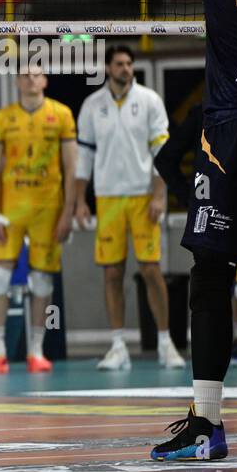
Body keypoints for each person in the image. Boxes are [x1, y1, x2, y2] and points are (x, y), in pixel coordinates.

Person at [111, 0, 237, 459]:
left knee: (212, 276)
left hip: (229, 136)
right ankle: (206, 423)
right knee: (212, 277)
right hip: (228, 133)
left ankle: (209, 423)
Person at [72, 45, 185, 372]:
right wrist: (80, 200)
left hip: (141, 196)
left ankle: (166, 343)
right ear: (108, 68)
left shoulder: (149, 100)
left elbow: (161, 151)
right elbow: (85, 157)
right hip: (107, 198)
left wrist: (159, 195)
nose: (126, 68)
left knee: (151, 269)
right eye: (119, 64)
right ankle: (118, 346)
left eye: (129, 63)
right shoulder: (92, 105)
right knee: (112, 272)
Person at [0, 64, 77, 374]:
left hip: (48, 208)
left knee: (42, 279)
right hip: (10, 209)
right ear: (18, 81)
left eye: (36, 74)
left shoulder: (61, 114)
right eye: (24, 75)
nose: (31, 79)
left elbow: (72, 169)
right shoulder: (2, 117)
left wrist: (68, 211)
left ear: (44, 80)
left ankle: (37, 350)